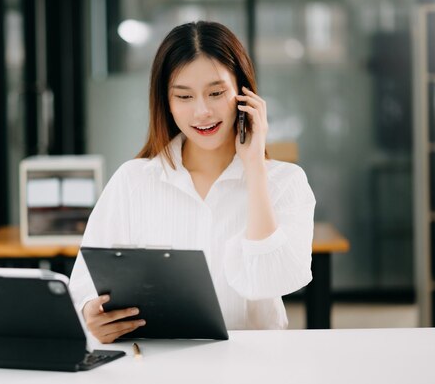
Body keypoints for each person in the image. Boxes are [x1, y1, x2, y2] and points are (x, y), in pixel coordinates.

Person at [69, 21, 315, 343]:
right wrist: (91, 312)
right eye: (184, 96)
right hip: (159, 364)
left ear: (244, 92)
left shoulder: (286, 182)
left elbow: (271, 280)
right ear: (166, 103)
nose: (202, 112)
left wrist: (254, 167)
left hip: (253, 367)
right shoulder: (133, 181)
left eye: (216, 93)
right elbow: (83, 286)